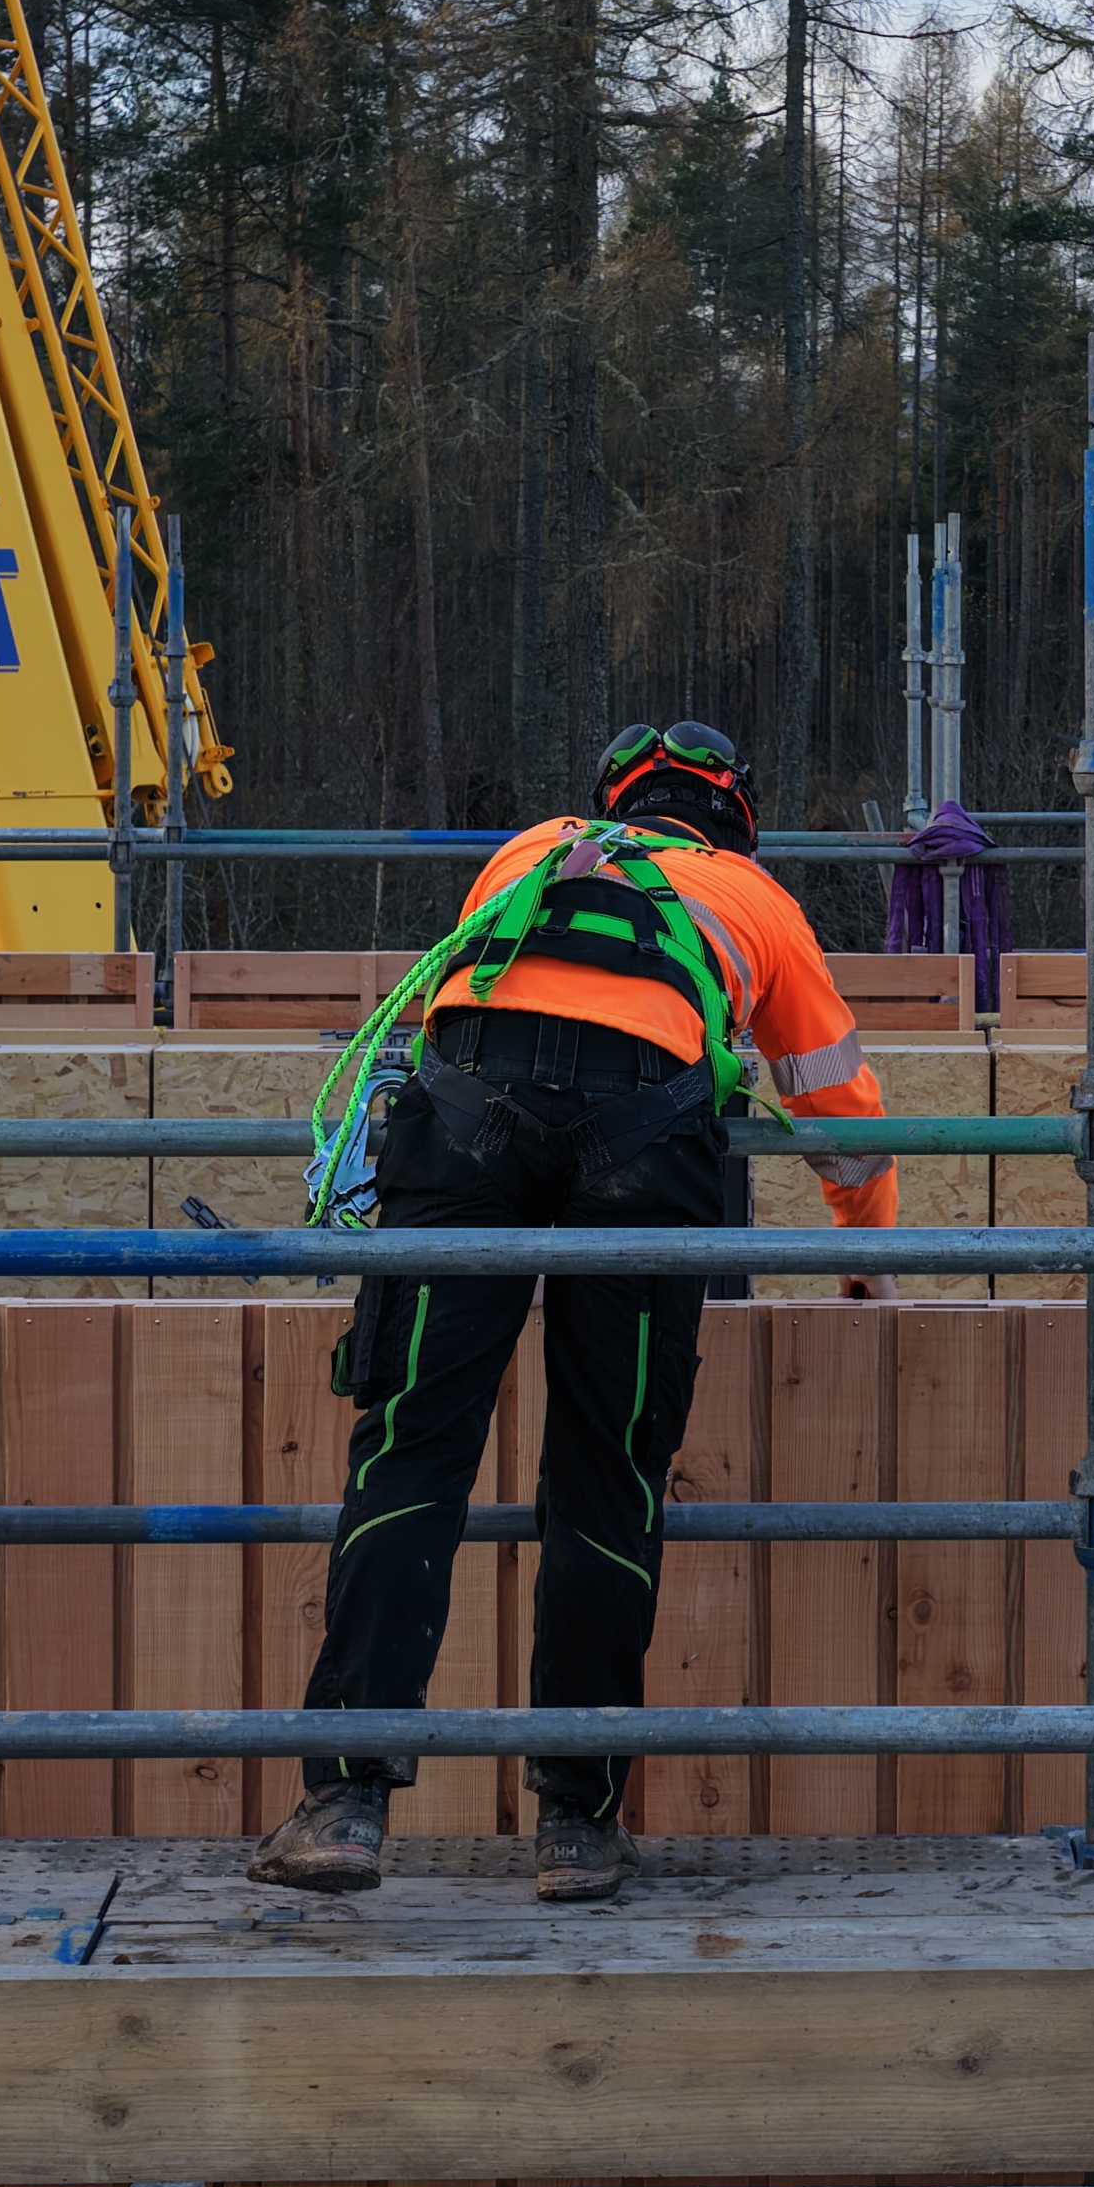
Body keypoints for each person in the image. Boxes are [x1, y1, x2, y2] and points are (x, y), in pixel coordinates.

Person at [255, 721, 904, 1907]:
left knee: (410, 1451)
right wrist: (865, 1244)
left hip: (460, 1121)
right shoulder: (751, 899)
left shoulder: (533, 852)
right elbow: (837, 1104)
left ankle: (344, 1803)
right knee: (609, 1471)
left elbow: (468, 1010)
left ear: (614, 798)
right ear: (734, 817)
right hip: (647, 1148)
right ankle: (578, 1825)